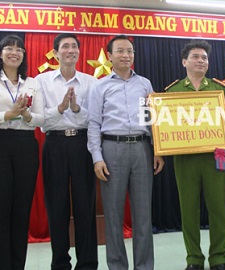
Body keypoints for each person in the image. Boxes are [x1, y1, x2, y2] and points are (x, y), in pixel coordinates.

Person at [87, 35, 164, 270]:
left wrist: (158, 150)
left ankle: (144, 266)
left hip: (142, 149)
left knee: (143, 215)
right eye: (120, 51)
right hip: (112, 150)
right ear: (109, 56)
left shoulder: (145, 84)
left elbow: (154, 120)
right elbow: (93, 124)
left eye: (130, 51)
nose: (126, 55)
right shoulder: (99, 86)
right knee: (113, 216)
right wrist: (97, 158)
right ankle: (117, 266)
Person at [165, 40, 225, 270]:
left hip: (218, 154)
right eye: (195, 56)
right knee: (189, 210)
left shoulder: (220, 88)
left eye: (204, 57)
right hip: (185, 158)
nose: (200, 61)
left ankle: (218, 258)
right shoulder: (171, 91)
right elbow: (163, 124)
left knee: (219, 209)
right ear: (184, 61)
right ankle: (194, 259)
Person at [0, 34, 44, 269]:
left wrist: (26, 115)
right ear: (0, 53)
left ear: (24, 55)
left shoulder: (32, 82)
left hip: (25, 145)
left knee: (21, 210)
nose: (14, 52)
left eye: (19, 49)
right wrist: (10, 114)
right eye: (9, 48)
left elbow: (41, 118)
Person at [36, 33, 99, 269]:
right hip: (54, 144)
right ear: (55, 52)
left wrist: (76, 108)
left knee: (85, 206)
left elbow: (93, 119)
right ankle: (60, 263)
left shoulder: (91, 82)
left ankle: (88, 263)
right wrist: (61, 109)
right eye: (65, 47)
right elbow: (42, 121)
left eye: (74, 46)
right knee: (56, 206)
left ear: (79, 52)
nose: (70, 50)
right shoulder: (42, 81)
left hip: (82, 145)